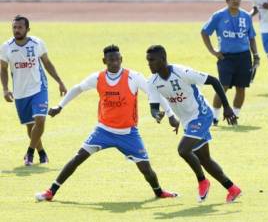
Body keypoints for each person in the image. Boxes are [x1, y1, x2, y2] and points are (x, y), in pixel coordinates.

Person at [35, 45, 177, 201]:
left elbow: (154, 92)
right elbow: (78, 88)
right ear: (104, 61)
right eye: (111, 60)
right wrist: (60, 106)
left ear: (121, 59)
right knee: (77, 158)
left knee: (146, 169)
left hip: (128, 133)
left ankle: (159, 192)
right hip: (103, 131)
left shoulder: (133, 77)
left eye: (117, 59)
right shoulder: (98, 78)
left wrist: (170, 115)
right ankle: (51, 192)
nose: (115, 63)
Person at [146, 45, 241, 203]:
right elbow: (154, 108)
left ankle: (202, 180)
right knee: (205, 159)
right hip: (188, 121)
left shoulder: (182, 72)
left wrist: (226, 107)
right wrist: (158, 115)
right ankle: (232, 188)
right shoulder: (153, 82)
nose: (149, 64)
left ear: (163, 59)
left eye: (152, 60)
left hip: (202, 115)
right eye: (147, 61)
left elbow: (214, 81)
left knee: (183, 150)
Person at [0, 15, 67, 166]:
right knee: (30, 126)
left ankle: (29, 153)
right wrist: (5, 89)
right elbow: (3, 69)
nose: (16, 30)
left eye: (20, 27)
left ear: (27, 29)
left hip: (39, 88)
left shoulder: (37, 43)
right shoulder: (6, 47)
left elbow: (48, 63)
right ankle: (42, 153)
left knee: (40, 120)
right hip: (20, 92)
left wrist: (60, 82)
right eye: (14, 27)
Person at [201, 0, 260, 125]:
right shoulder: (218, 16)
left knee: (241, 87)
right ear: (227, 0)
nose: (236, 1)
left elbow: (251, 37)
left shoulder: (246, 16)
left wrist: (256, 55)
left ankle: (235, 116)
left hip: (244, 57)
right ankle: (215, 117)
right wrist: (213, 51)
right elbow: (204, 32)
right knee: (223, 87)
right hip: (225, 57)